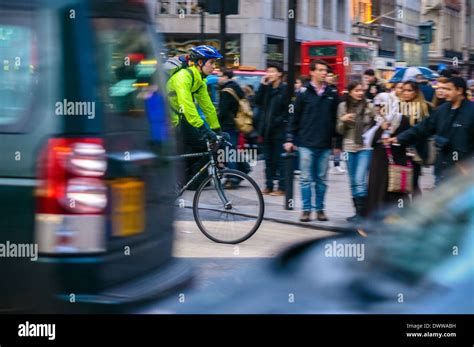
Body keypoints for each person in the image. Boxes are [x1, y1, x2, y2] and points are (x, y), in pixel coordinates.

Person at [384, 77, 474, 185]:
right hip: (442, 168)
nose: (444, 92)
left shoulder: (471, 111)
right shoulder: (442, 110)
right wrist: (398, 138)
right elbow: (422, 128)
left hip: (464, 170)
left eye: (448, 89)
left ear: (459, 90)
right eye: (443, 89)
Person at [284, 60, 340, 222]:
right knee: (306, 179)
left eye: (325, 70)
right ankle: (306, 210)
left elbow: (337, 121)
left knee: (321, 180)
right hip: (306, 143)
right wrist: (289, 139)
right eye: (321, 70)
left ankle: (320, 209)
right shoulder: (303, 94)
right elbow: (294, 119)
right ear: (312, 72)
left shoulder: (332, 94)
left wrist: (337, 144)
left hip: (325, 144)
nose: (324, 73)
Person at [166, 45, 223, 187]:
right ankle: (176, 181)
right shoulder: (182, 77)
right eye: (211, 63)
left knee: (204, 146)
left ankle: (189, 180)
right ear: (199, 63)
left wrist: (216, 130)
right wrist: (204, 129)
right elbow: (187, 106)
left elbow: (208, 107)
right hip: (167, 121)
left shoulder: (199, 81)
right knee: (183, 150)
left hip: (181, 120)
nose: (214, 67)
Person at [337, 82, 376, 221]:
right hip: (348, 147)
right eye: (356, 90)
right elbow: (339, 130)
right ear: (350, 91)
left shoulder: (369, 106)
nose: (360, 93)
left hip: (365, 147)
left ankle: (363, 214)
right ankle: (357, 212)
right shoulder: (342, 106)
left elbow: (378, 124)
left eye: (361, 90)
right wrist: (343, 120)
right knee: (353, 180)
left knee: (360, 180)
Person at [255, 63, 288, 196]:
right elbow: (257, 101)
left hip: (279, 130)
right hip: (266, 130)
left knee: (279, 160)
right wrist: (262, 86)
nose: (269, 74)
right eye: (268, 71)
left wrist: (278, 121)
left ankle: (282, 187)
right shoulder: (267, 88)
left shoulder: (285, 89)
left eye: (273, 71)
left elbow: (287, 110)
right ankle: (268, 185)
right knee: (268, 160)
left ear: (279, 74)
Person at [217, 69, 251, 188]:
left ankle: (233, 178)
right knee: (232, 150)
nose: (218, 78)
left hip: (227, 125)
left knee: (228, 152)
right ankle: (244, 169)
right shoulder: (236, 88)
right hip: (236, 124)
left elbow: (223, 111)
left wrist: (215, 122)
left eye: (220, 76)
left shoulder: (226, 91)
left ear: (226, 77)